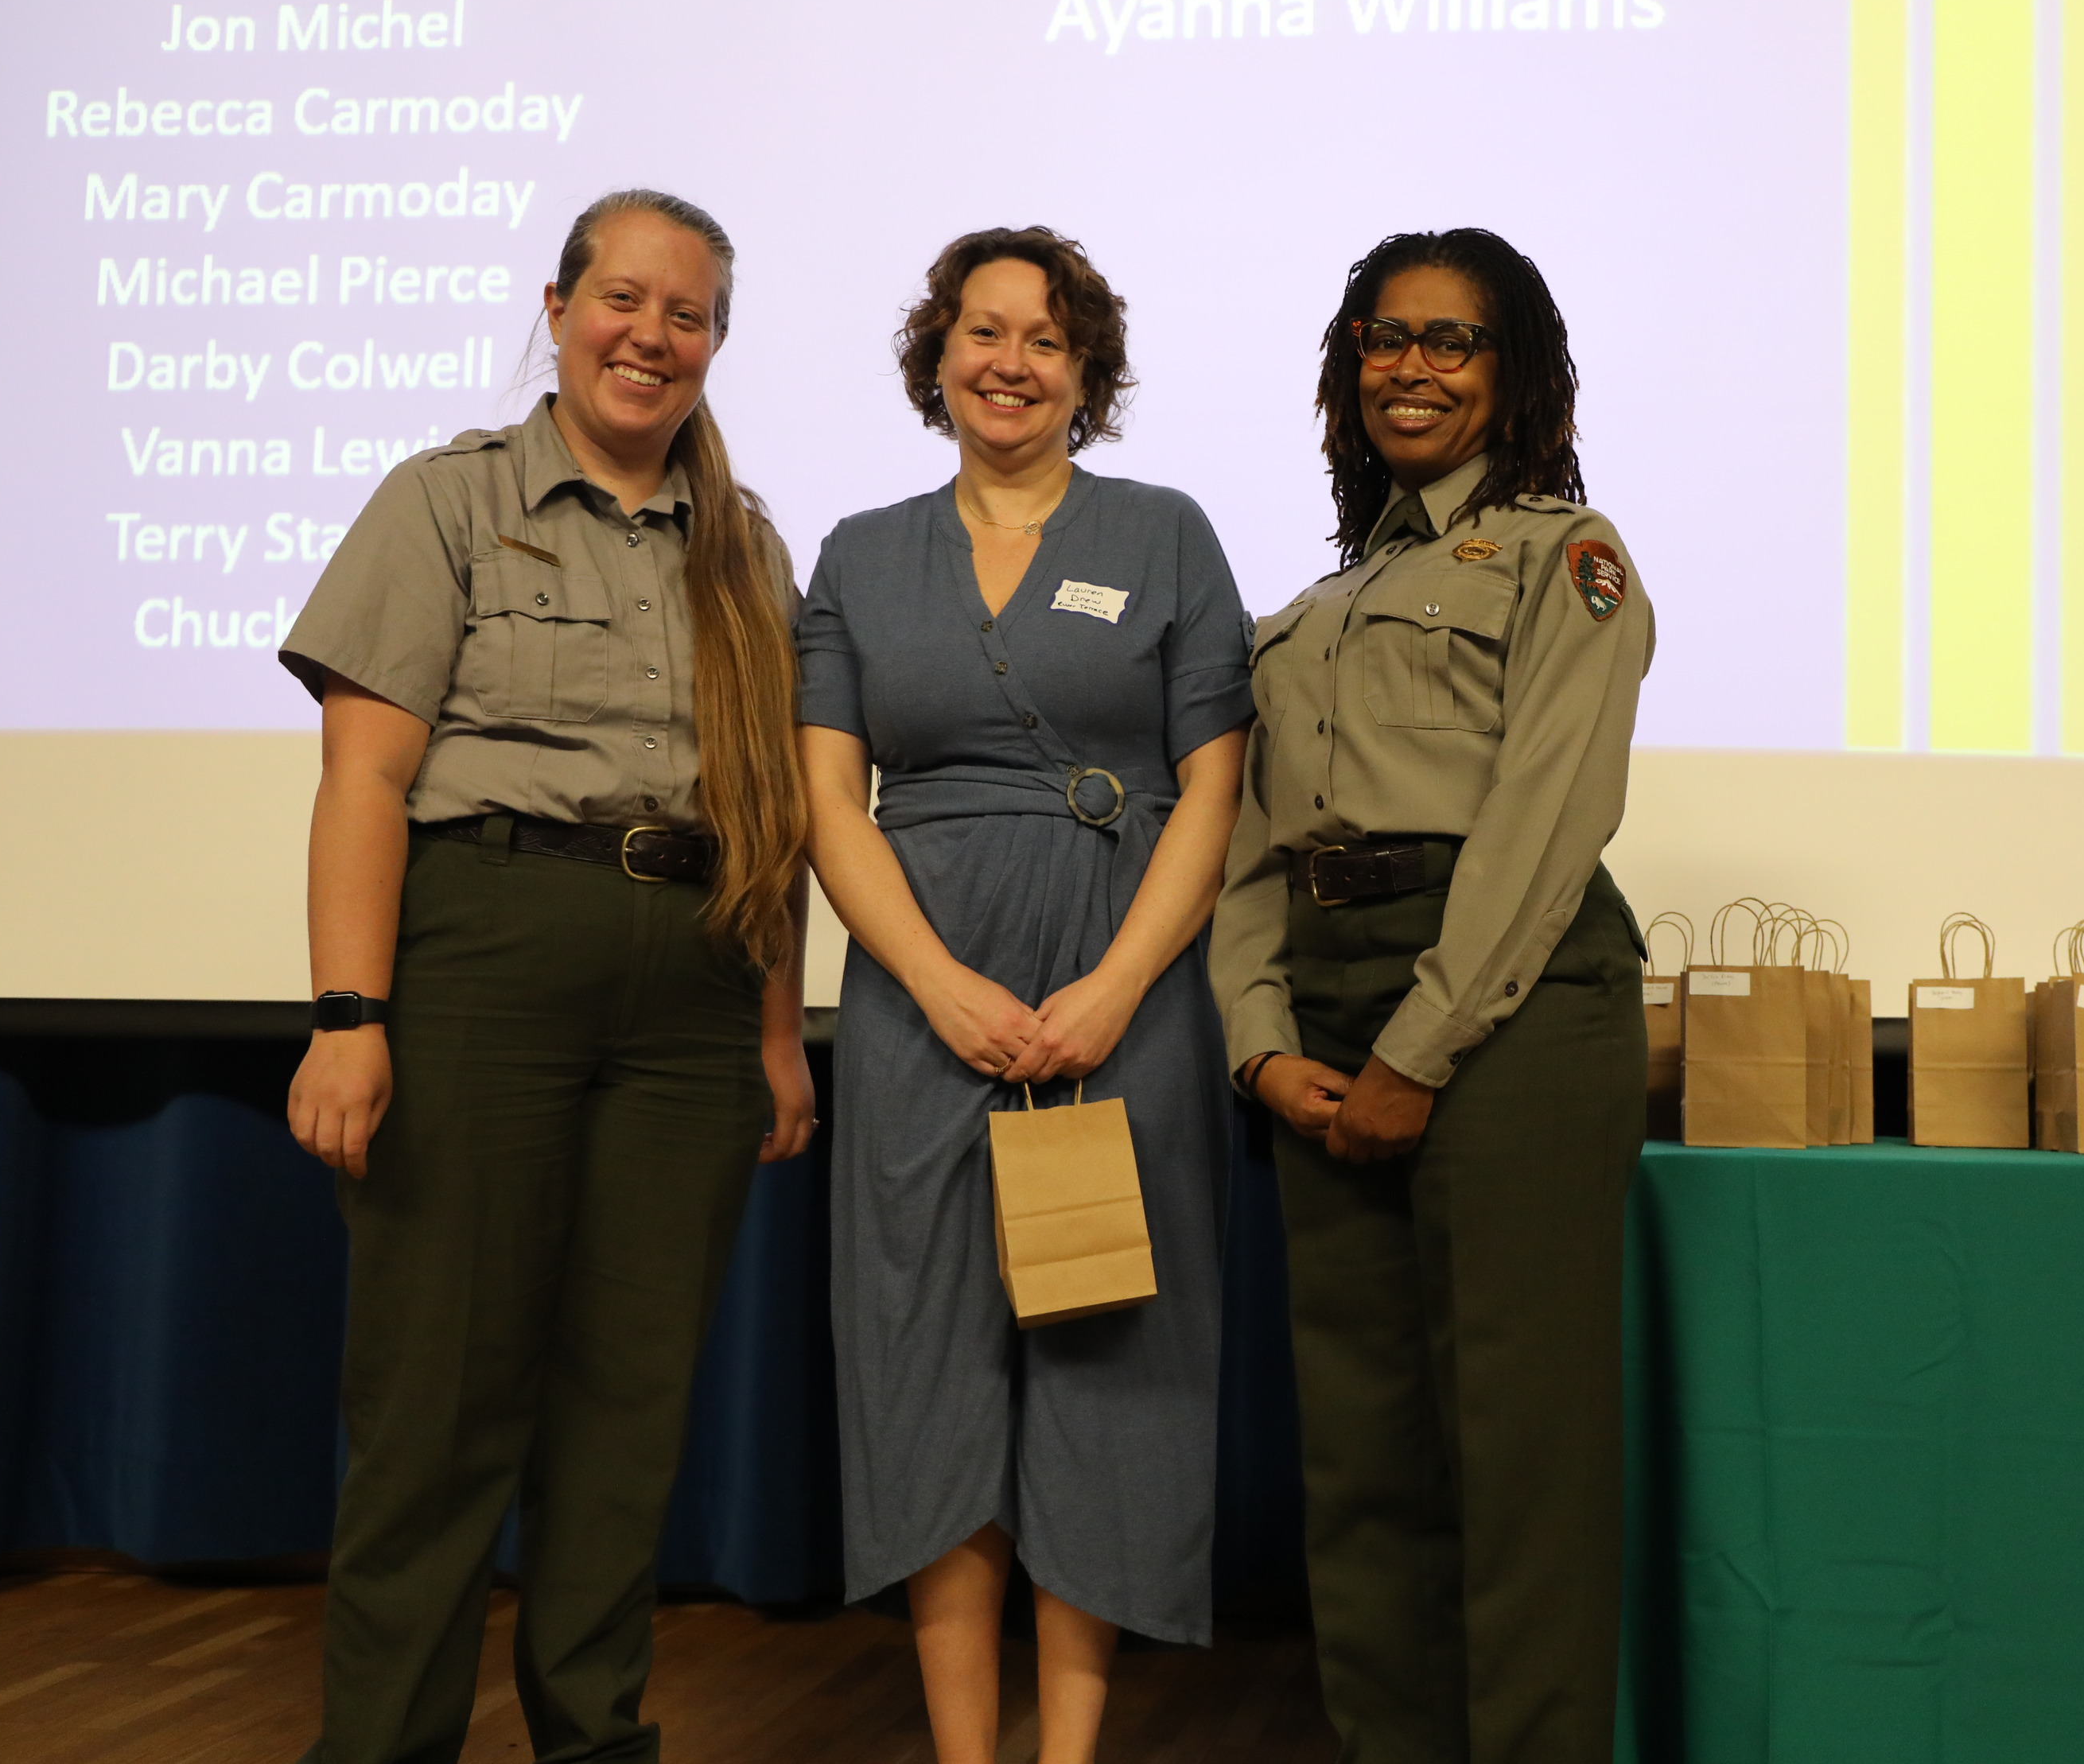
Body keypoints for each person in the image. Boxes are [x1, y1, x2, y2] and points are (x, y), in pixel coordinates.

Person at [277, 188, 816, 1764]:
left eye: (689, 315)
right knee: (434, 1413)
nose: (652, 337)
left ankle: (594, 1739)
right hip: (487, 956)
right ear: (559, 304)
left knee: (628, 1416)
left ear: (716, 341)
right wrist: (346, 1017)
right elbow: (364, 782)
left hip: (695, 989)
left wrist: (780, 1035)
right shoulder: (445, 501)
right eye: (624, 301)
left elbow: (773, 808)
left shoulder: (746, 546)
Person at [793, 227, 1250, 1764]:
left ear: (1087, 373)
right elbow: (827, 806)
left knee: (1106, 1358)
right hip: (927, 1007)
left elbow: (1212, 789)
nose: (1009, 360)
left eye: (1045, 339)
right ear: (937, 356)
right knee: (924, 1355)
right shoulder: (859, 553)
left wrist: (1122, 984)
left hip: (1126, 998)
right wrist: (935, 986)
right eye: (982, 332)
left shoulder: (1166, 531)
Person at [1209, 227, 1655, 1764]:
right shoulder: (1323, 603)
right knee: (1361, 1464)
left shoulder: (1565, 553)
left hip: (1509, 1018)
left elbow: (1546, 821)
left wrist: (1422, 1043)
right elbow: (1254, 848)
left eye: (1450, 342)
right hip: (1324, 1025)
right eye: (1383, 339)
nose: (1409, 367)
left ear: (1516, 373)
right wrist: (1261, 1047)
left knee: (1518, 1462)